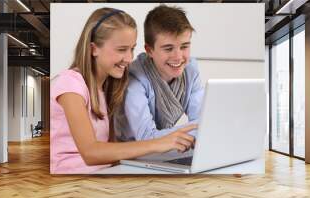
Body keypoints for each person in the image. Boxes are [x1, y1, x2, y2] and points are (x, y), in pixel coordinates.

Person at [50, 8, 197, 174]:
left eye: (132, 49)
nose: (129, 58)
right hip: (70, 180)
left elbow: (111, 149)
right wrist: (159, 143)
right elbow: (90, 153)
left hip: (103, 174)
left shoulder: (108, 88)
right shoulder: (70, 83)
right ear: (93, 49)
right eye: (121, 49)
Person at [115, 5, 204, 141]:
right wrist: (198, 129)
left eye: (184, 46)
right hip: (130, 152)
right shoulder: (134, 78)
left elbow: (202, 121)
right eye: (168, 49)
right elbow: (146, 138)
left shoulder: (190, 70)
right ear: (149, 50)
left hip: (165, 149)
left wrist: (202, 128)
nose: (178, 56)